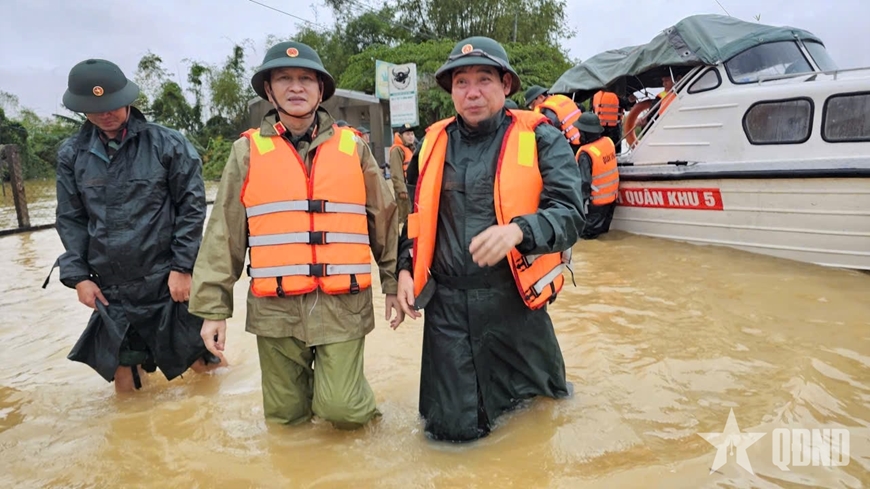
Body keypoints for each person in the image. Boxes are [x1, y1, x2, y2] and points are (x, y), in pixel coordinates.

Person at [189, 41, 401, 429]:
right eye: (284, 78)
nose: (296, 87)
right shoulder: (246, 151)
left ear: (321, 90)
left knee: (343, 409)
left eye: (306, 79)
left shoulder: (354, 147)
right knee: (286, 421)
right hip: (276, 310)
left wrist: (392, 282)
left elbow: (383, 219)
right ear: (269, 90)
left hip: (344, 305)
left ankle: (360, 418)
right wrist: (213, 310)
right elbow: (224, 233)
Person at [392, 36, 587, 442]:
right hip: (446, 314)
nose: (473, 92)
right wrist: (405, 268)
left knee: (540, 422)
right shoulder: (431, 144)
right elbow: (415, 217)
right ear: (451, 92)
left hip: (515, 309)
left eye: (484, 79)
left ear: (506, 86)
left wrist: (519, 229)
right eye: (461, 83)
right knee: (449, 437)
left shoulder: (541, 138)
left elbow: (571, 214)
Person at [50, 58, 220, 393]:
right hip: (113, 288)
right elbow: (70, 219)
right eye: (95, 108)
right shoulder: (72, 154)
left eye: (112, 104)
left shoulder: (168, 144)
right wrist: (80, 277)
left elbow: (191, 208)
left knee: (204, 362)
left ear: (127, 99)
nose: (106, 113)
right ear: (81, 108)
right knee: (124, 377)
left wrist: (183, 267)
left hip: (167, 280)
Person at [574, 113, 619, 239]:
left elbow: (584, 184)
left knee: (587, 238)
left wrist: (578, 207)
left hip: (596, 205)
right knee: (603, 234)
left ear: (586, 133)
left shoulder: (585, 154)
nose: (579, 135)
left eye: (580, 131)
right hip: (611, 200)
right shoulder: (608, 142)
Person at [524, 85, 584, 151]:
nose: (532, 108)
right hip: (583, 138)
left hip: (569, 146)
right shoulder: (562, 98)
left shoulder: (546, 110)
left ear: (540, 97)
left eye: (532, 104)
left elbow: (550, 133)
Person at [389, 123, 416, 226]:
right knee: (404, 222)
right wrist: (402, 190)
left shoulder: (412, 149)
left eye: (412, 134)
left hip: (412, 189)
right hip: (404, 192)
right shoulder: (397, 150)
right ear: (401, 136)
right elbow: (396, 173)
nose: (411, 137)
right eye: (408, 134)